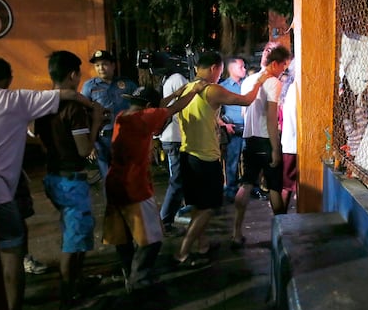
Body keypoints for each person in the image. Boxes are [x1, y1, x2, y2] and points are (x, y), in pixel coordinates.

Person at [0, 55, 98, 310]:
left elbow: (35, 134)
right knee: (13, 254)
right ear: (6, 79)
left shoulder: (34, 111)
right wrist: (95, 111)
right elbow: (67, 97)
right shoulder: (15, 100)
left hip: (51, 178)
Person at [102, 82, 207, 291]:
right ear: (148, 106)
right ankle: (139, 279)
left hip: (114, 183)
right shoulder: (145, 118)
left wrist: (174, 94)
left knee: (123, 237)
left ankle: (128, 274)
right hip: (135, 186)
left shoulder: (122, 116)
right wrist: (193, 92)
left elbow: (160, 107)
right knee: (152, 237)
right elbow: (172, 109)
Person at [173, 51, 270, 268]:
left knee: (199, 204)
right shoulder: (211, 89)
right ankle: (182, 252)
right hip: (205, 158)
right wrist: (259, 82)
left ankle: (202, 245)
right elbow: (246, 100)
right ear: (215, 68)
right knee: (209, 208)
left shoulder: (187, 88)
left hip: (187, 154)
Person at [35, 50, 106, 310]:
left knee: (74, 234)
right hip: (71, 180)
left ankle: (77, 282)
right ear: (73, 74)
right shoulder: (74, 109)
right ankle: (68, 297)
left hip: (54, 176)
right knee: (73, 241)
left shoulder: (42, 104)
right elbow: (84, 149)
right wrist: (96, 123)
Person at [232, 45, 292, 249]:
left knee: (246, 183)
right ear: (275, 63)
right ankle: (281, 234)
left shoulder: (249, 80)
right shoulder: (273, 82)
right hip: (266, 140)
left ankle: (236, 232)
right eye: (283, 66)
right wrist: (275, 148)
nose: (283, 70)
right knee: (274, 188)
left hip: (249, 139)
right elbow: (272, 117)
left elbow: (243, 113)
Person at [81, 50, 137, 179]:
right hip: (102, 140)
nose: (101, 68)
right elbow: (84, 115)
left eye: (104, 64)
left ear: (113, 65)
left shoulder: (126, 84)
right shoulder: (89, 87)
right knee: (108, 178)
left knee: (126, 176)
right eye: (97, 65)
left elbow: (140, 106)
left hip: (124, 137)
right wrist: (91, 143)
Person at [158, 72, 189, 235]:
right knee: (176, 181)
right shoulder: (178, 78)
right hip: (175, 137)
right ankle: (165, 221)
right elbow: (180, 107)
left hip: (173, 138)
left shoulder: (170, 79)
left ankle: (167, 218)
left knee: (178, 180)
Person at [220, 57, 247, 202]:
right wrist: (224, 124)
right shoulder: (223, 87)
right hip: (233, 128)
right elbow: (215, 110)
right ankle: (231, 189)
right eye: (241, 67)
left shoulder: (247, 84)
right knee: (232, 160)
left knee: (248, 159)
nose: (244, 70)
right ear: (231, 69)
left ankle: (249, 188)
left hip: (248, 128)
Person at [279, 65, 297, 212]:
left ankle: (280, 218)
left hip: (290, 144)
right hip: (294, 145)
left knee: (287, 186)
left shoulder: (290, 87)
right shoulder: (295, 89)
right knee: (288, 186)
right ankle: (280, 219)